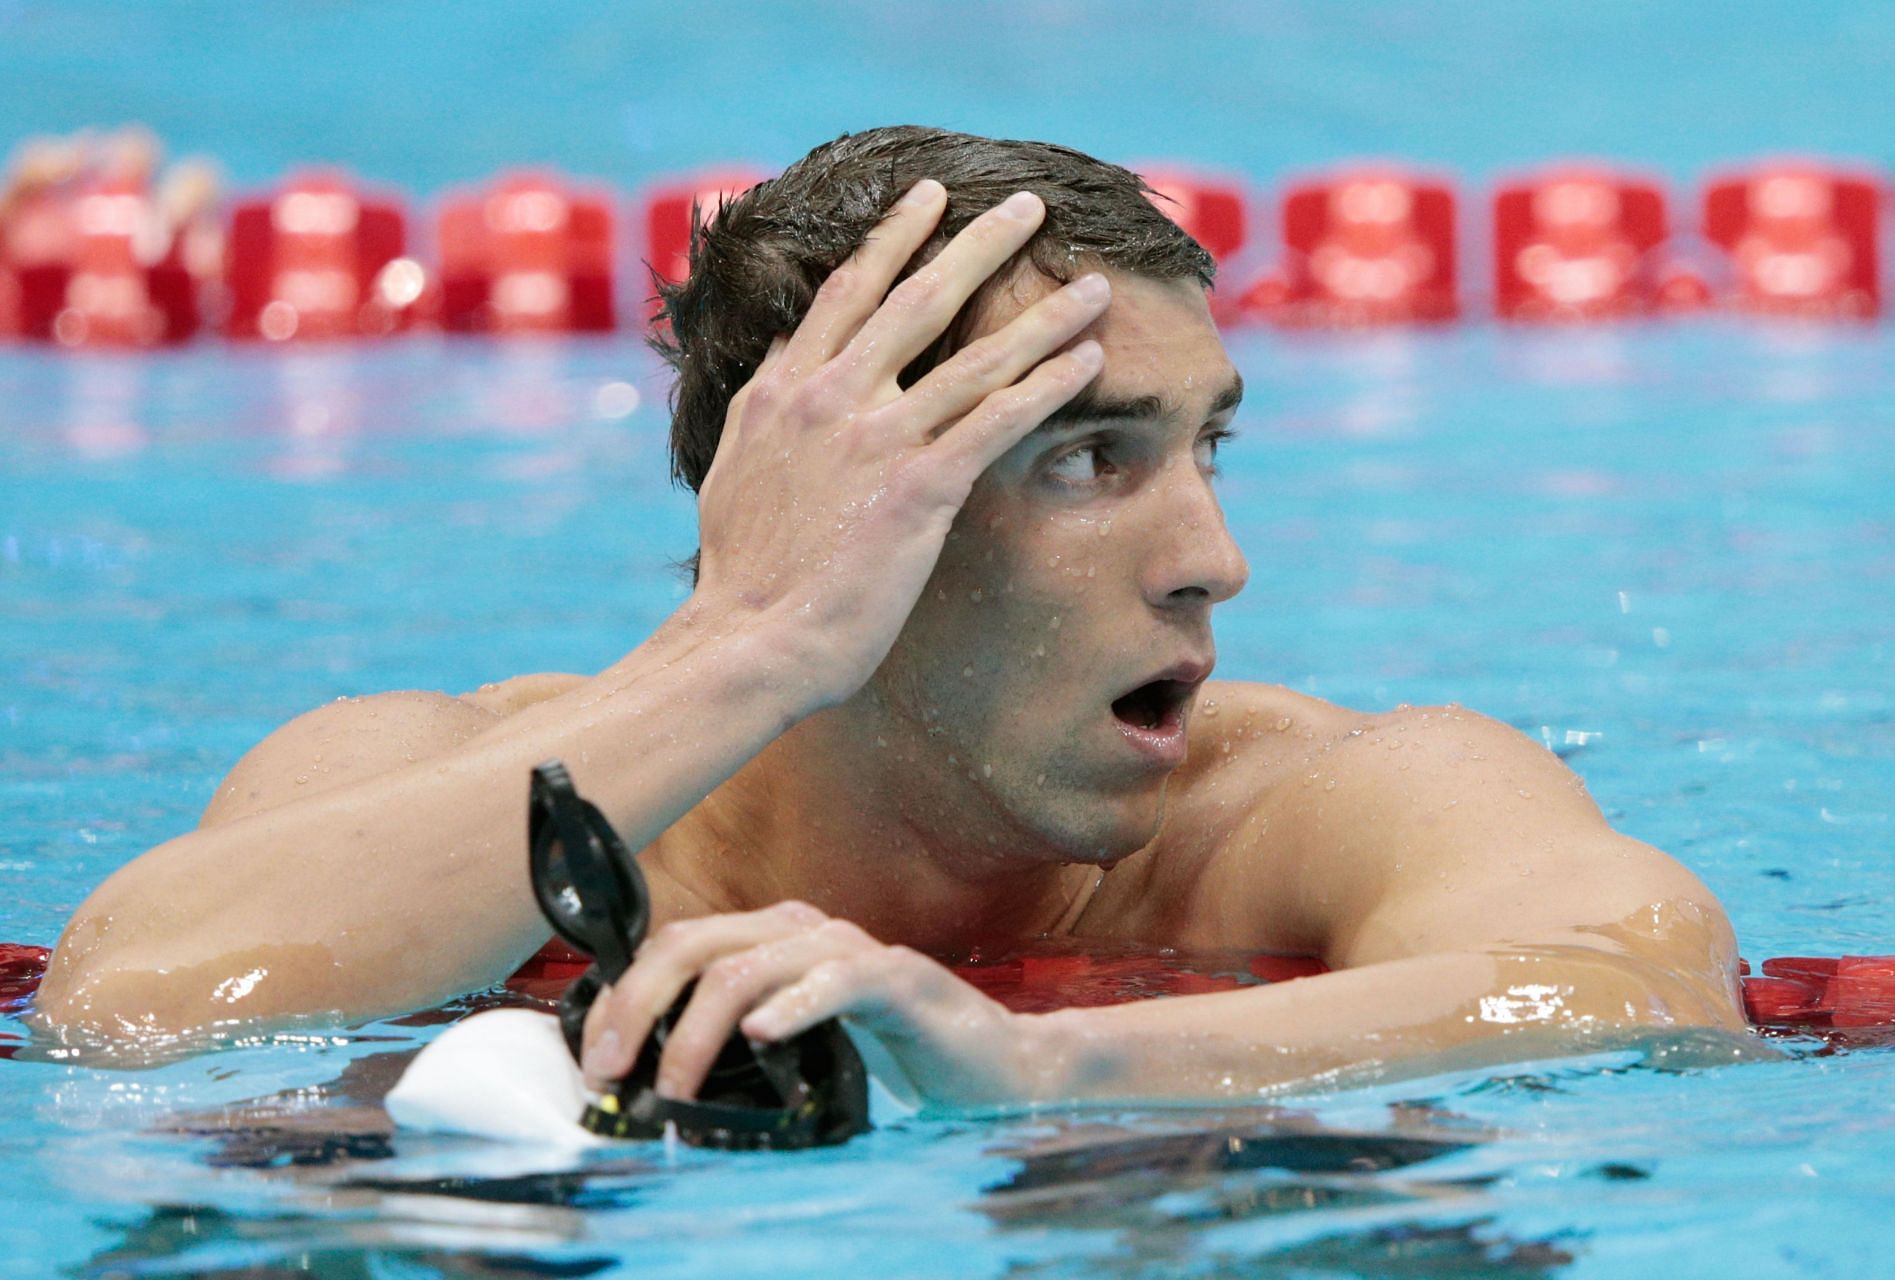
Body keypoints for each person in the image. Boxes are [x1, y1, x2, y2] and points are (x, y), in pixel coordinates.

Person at [32, 127, 1748, 1105]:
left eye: (1202, 446)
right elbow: (130, 1015)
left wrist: (1040, 1072)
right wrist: (747, 644)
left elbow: (1644, 987)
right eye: (1086, 461)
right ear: (831, 515)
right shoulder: (429, 777)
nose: (1213, 558)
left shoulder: (1306, 806)